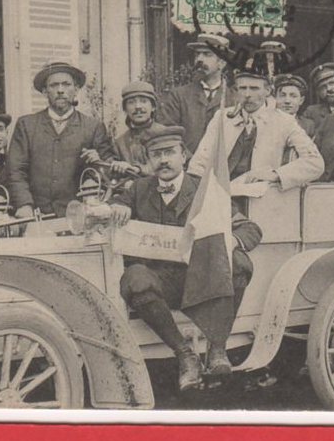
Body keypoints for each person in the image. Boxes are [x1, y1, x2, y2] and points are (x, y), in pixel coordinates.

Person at [109, 125, 262, 392]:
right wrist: (119, 207)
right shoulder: (138, 189)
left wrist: (228, 241)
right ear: (148, 160)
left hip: (203, 280)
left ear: (184, 156)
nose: (163, 160)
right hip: (162, 284)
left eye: (169, 152)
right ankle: (184, 354)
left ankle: (217, 348)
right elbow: (118, 204)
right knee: (135, 277)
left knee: (239, 263)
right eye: (156, 155)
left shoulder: (206, 191)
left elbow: (250, 229)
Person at [6, 62, 116, 218]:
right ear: (45, 91)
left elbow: (108, 172)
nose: (60, 90)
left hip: (79, 215)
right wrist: (24, 205)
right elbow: (15, 170)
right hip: (36, 215)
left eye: (66, 85)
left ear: (76, 90)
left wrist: (98, 162)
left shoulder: (93, 127)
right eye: (53, 85)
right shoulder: (27, 125)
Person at [188, 70, 324, 188]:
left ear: (268, 91)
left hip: (262, 199)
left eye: (254, 88)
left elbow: (315, 163)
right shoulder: (222, 118)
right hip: (220, 195)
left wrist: (276, 174)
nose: (247, 94)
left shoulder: (284, 121)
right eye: (242, 88)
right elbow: (200, 162)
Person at [158, 34, 235, 153]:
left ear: (222, 63)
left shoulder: (234, 99)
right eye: (197, 54)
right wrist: (191, 161)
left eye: (207, 54)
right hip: (186, 166)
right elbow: (169, 134)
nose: (199, 59)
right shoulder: (178, 96)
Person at [113, 80, 166, 176]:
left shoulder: (165, 134)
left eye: (143, 101)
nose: (138, 107)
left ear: (153, 107)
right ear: (125, 110)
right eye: (131, 102)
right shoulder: (120, 143)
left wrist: (138, 169)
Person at [300, 62, 334, 131]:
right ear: (318, 93)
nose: (329, 89)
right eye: (323, 87)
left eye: (332, 83)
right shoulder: (312, 113)